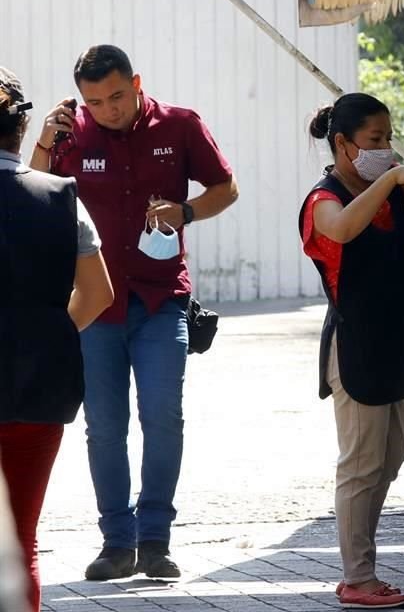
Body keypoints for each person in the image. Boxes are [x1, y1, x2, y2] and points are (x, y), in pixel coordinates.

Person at [29, 45, 239, 581]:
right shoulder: (69, 131)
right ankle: (115, 542)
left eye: (117, 96)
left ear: (137, 82)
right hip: (95, 304)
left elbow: (225, 188)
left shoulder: (181, 125)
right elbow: (33, 193)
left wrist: (187, 210)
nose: (108, 109)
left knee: (163, 417)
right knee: (103, 427)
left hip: (161, 298)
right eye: (94, 101)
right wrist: (44, 145)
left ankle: (155, 540)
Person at [298, 93, 404, 609]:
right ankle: (357, 578)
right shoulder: (323, 199)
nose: (385, 149)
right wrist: (390, 178)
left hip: (396, 341)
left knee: (389, 457)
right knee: (361, 463)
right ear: (343, 144)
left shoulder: (385, 188)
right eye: (375, 140)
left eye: (389, 138)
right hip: (357, 347)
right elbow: (343, 228)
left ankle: (361, 569)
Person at [0, 67, 113, 611]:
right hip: (39, 390)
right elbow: (97, 296)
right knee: (20, 541)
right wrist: (41, 336)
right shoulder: (61, 197)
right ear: (22, 130)